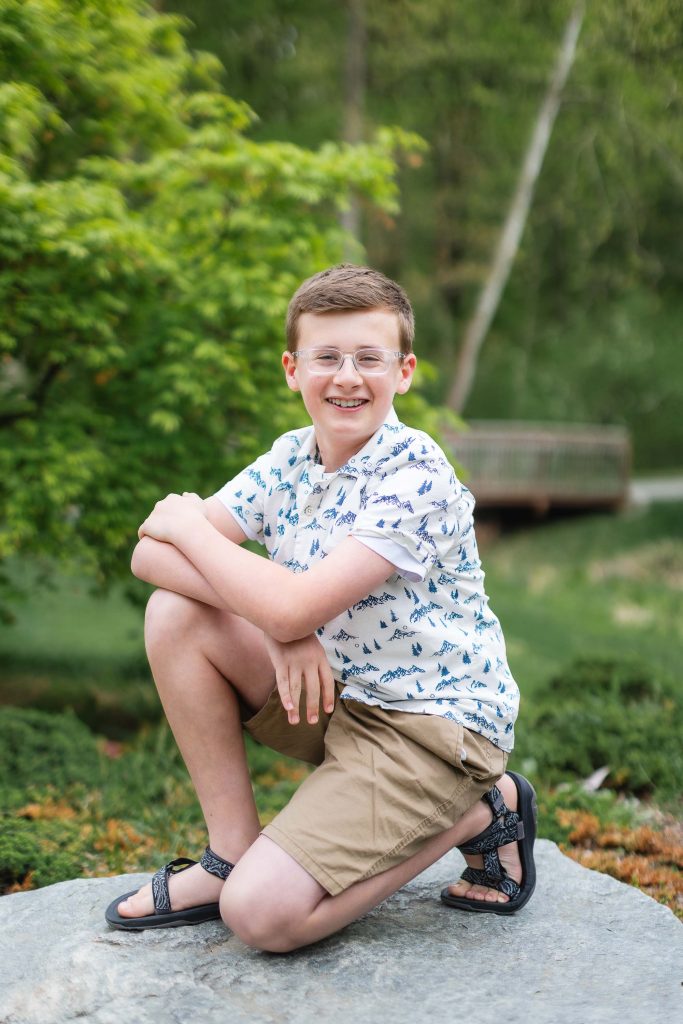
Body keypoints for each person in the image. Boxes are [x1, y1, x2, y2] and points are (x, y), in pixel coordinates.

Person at [104, 264, 537, 950]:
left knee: (261, 918)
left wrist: (196, 532)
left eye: (369, 358)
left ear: (403, 371)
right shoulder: (289, 460)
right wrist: (282, 629)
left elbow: (189, 546)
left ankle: (480, 811)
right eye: (326, 357)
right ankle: (228, 856)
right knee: (175, 613)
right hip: (336, 694)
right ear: (291, 368)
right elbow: (148, 558)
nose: (346, 376)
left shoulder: (415, 475)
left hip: (428, 732)